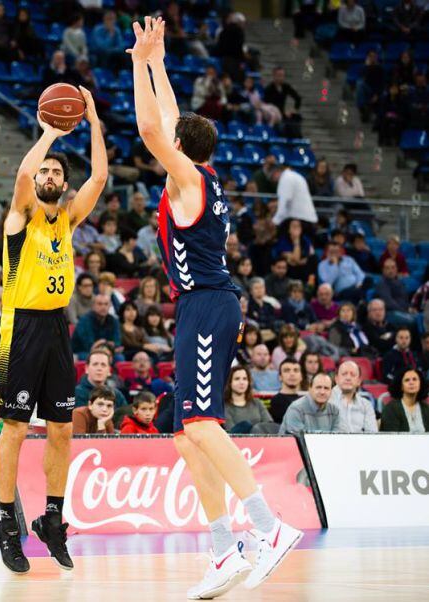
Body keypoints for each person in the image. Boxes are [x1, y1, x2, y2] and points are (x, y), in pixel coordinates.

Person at [130, 19, 302, 596]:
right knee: (183, 432)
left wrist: (134, 67)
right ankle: (225, 547)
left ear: (181, 150)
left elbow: (153, 127)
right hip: (198, 307)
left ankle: (269, 527)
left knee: (203, 422)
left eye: (174, 142)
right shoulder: (200, 172)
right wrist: (156, 61)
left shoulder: (187, 182)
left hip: (207, 305)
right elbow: (172, 120)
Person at [0, 85, 106, 575]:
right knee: (16, 426)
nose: (51, 174)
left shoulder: (69, 219)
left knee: (62, 428)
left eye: (58, 171)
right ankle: (6, 523)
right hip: (21, 327)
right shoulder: (21, 218)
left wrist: (94, 121)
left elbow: (100, 175)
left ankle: (52, 518)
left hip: (57, 326)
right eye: (46, 170)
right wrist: (48, 135)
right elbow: (22, 173)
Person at [279, 372, 345, 434]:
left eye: (326, 388)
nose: (322, 392)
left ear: (331, 391)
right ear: (310, 389)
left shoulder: (334, 411)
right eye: (318, 387)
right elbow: (300, 439)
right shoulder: (296, 409)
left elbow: (337, 437)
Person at [329, 361, 377, 433]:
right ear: (336, 379)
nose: (348, 378)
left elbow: (372, 433)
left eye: (353, 375)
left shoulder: (366, 405)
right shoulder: (326, 399)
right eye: (344, 374)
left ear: (358, 381)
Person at [224, 366, 274, 434]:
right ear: (229, 382)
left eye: (245, 379)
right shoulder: (224, 406)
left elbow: (269, 425)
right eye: (237, 379)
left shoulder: (257, 402)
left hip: (261, 441)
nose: (241, 382)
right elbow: (231, 432)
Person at [71, 294, 122, 360]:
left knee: (119, 358)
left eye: (106, 304)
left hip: (107, 352)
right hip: (83, 352)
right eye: (100, 304)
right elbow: (89, 346)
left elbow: (117, 343)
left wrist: (103, 343)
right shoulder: (84, 321)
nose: (103, 307)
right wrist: (107, 344)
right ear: (93, 306)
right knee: (93, 357)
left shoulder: (114, 320)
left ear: (110, 306)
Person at [380, 367, 429, 432]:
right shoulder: (391, 409)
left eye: (414, 379)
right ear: (401, 386)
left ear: (420, 384)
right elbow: (391, 438)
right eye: (407, 380)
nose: (411, 383)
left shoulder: (426, 408)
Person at [268, 358, 306, 424]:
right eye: (287, 370)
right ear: (280, 377)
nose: (292, 374)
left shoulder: (305, 400)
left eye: (296, 370)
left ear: (301, 377)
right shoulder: (276, 401)